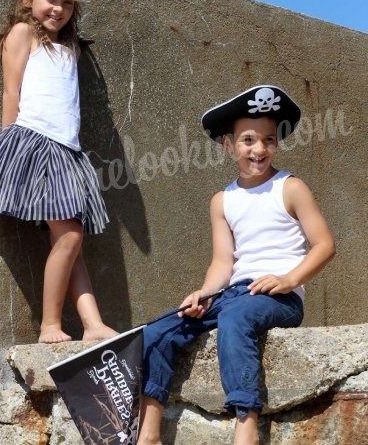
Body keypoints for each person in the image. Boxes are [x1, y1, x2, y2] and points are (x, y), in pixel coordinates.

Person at [137, 85, 336, 445]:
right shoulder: (222, 200)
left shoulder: (289, 187)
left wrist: (290, 279)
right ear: (228, 146)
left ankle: (246, 423)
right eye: (247, 140)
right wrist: (205, 294)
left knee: (236, 318)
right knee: (158, 331)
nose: (259, 149)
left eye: (268, 140)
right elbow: (222, 261)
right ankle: (148, 432)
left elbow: (324, 245)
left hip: (277, 297)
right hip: (231, 293)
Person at [0, 0, 118, 344]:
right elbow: (12, 92)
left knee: (70, 236)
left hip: (67, 150)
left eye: (67, 4)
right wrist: (7, 147)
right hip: (35, 143)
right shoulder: (22, 34)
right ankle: (50, 325)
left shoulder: (70, 48)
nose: (58, 9)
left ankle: (91, 322)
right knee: (69, 235)